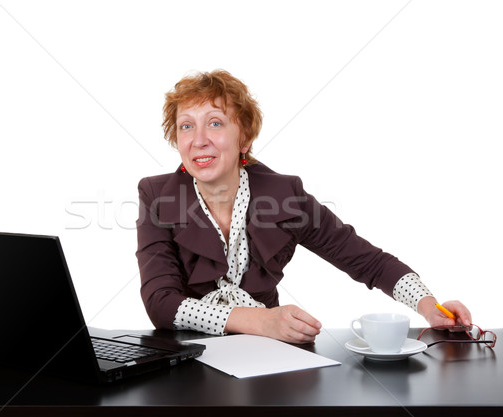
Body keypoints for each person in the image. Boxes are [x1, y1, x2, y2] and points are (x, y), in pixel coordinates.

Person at [135, 69, 471, 344]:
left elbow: (368, 261)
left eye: (216, 122)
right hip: (186, 359)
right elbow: (160, 303)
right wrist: (261, 320)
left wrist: (429, 306)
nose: (198, 140)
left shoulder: (285, 195)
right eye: (186, 126)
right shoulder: (156, 194)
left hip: (267, 359)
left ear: (245, 138)